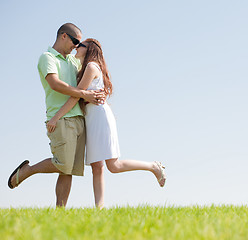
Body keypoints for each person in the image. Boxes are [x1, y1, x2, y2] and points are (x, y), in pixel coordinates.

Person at [46, 38, 166, 209]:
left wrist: (55, 117)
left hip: (100, 118)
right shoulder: (85, 67)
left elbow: (76, 96)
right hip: (91, 118)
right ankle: (100, 209)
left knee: (113, 165)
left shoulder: (91, 66)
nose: (76, 47)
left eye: (80, 45)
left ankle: (153, 167)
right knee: (97, 167)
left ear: (89, 49)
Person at [7, 23, 105, 207]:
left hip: (79, 118)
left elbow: (91, 73)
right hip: (60, 118)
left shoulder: (74, 60)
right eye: (75, 41)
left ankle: (59, 212)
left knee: (68, 170)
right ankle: (28, 170)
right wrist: (84, 94)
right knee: (63, 163)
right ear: (63, 36)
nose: (76, 46)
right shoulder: (47, 57)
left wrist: (100, 91)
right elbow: (55, 84)